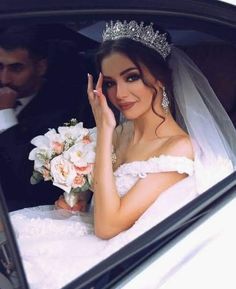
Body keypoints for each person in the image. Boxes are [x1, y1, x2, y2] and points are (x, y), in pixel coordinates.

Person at [9, 20, 236, 289]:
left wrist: (104, 130)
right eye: (110, 83)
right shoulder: (121, 132)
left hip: (120, 260)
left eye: (131, 77)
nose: (119, 94)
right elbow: (91, 196)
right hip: (86, 233)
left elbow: (107, 228)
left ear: (160, 78)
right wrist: (74, 196)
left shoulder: (177, 148)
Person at [0, 25, 95, 211]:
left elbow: (32, 182)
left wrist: (5, 114)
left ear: (40, 67)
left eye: (16, 68)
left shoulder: (65, 107)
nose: (4, 79)